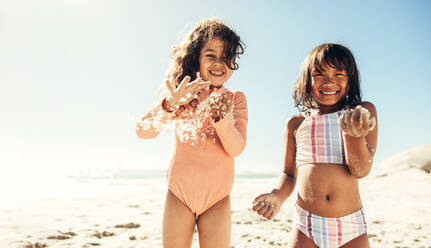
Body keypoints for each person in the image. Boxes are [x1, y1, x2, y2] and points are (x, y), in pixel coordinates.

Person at [252, 43, 378, 248]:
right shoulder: (296, 124)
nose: (329, 81)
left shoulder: (360, 113)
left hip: (351, 227)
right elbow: (289, 175)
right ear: (307, 80)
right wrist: (276, 196)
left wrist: (353, 136)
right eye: (319, 74)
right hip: (306, 225)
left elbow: (361, 169)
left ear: (350, 79)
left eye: (339, 74)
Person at [136, 19, 247, 248]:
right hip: (179, 194)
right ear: (195, 57)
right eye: (211, 55)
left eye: (227, 57)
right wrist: (170, 104)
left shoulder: (234, 99)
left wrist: (221, 119)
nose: (219, 63)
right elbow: (143, 131)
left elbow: (236, 148)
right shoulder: (181, 96)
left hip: (217, 199)